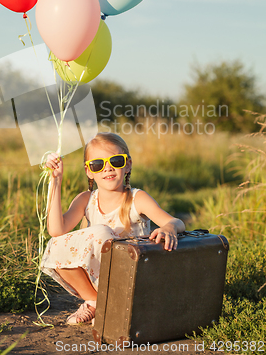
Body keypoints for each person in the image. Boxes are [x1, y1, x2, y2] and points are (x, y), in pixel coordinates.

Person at [41, 132, 185, 325]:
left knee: (102, 233)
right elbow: (56, 231)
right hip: (100, 281)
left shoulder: (137, 198)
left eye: (116, 161)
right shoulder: (86, 199)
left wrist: (169, 228)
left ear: (128, 165)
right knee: (57, 244)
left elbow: (177, 222)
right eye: (98, 164)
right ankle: (96, 301)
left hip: (133, 277)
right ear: (89, 171)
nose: (107, 168)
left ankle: (118, 305)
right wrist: (56, 181)